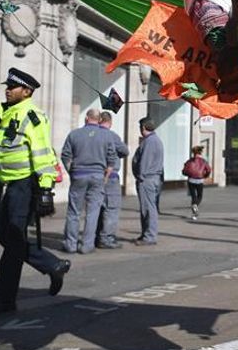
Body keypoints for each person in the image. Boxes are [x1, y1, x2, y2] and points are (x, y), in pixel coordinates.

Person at [0, 68, 70, 316]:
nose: (7, 89)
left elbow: (42, 154)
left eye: (13, 87)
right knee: (5, 237)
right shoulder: (9, 114)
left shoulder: (32, 115)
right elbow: (6, 154)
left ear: (26, 91)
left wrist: (46, 190)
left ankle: (4, 300)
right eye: (7, 86)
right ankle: (52, 264)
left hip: (25, 186)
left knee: (13, 243)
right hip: (10, 185)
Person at [60, 109, 118, 254]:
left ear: (86, 118)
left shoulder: (74, 134)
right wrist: (106, 174)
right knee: (93, 212)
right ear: (99, 120)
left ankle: (71, 244)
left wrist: (71, 171)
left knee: (74, 211)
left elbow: (65, 155)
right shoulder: (106, 135)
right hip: (98, 176)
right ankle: (87, 245)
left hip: (79, 174)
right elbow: (112, 157)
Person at [95, 111, 129, 249]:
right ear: (109, 122)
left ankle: (94, 236)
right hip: (110, 177)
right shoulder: (112, 136)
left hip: (93, 175)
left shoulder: (91, 134)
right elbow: (125, 151)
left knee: (96, 208)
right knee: (111, 208)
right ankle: (106, 238)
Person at [132, 118, 164, 245]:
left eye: (140, 127)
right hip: (153, 178)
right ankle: (146, 233)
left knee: (148, 208)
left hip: (147, 179)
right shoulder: (155, 140)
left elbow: (145, 161)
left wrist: (140, 176)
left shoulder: (150, 142)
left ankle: (149, 236)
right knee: (149, 207)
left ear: (144, 127)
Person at [182, 145, 211, 221]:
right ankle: (195, 207)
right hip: (200, 180)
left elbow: (184, 171)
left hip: (191, 180)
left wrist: (188, 174)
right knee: (200, 196)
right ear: (200, 152)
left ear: (193, 153)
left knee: (193, 196)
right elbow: (208, 170)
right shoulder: (203, 161)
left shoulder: (189, 161)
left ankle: (194, 212)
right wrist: (205, 176)